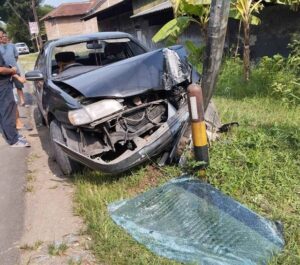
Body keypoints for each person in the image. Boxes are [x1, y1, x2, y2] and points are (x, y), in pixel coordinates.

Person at [0, 30, 30, 147]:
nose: (1, 39)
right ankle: (14, 140)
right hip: (2, 85)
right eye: (0, 37)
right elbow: (1, 69)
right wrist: (12, 70)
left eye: (2, 36)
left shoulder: (8, 47)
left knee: (3, 112)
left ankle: (11, 135)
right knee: (7, 111)